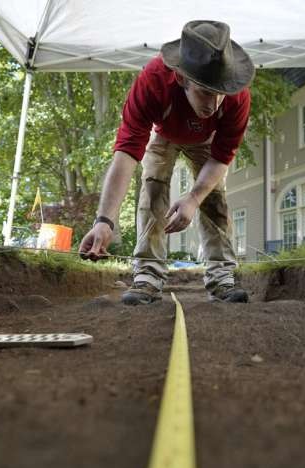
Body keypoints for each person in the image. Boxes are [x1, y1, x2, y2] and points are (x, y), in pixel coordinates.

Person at [79, 20, 255, 305]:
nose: (214, 104)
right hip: (164, 134)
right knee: (153, 188)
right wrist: (104, 221)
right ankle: (148, 275)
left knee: (214, 197)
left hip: (207, 141)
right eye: (205, 92)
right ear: (182, 79)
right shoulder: (153, 81)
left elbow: (222, 156)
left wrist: (193, 198)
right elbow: (126, 153)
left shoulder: (236, 96)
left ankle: (221, 275)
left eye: (220, 93)